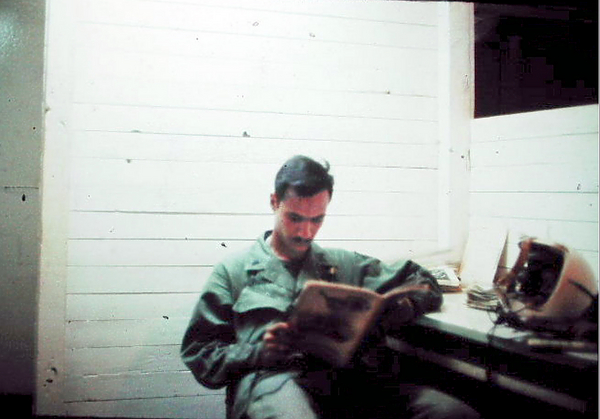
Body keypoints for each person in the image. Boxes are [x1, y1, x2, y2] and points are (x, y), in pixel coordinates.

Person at [181, 155, 480, 419]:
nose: (306, 231)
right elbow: (200, 352)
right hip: (274, 382)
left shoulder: (344, 264)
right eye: (294, 218)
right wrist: (257, 352)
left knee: (451, 412)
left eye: (317, 219)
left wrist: (400, 309)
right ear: (274, 202)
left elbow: (421, 280)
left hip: (351, 380)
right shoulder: (233, 271)